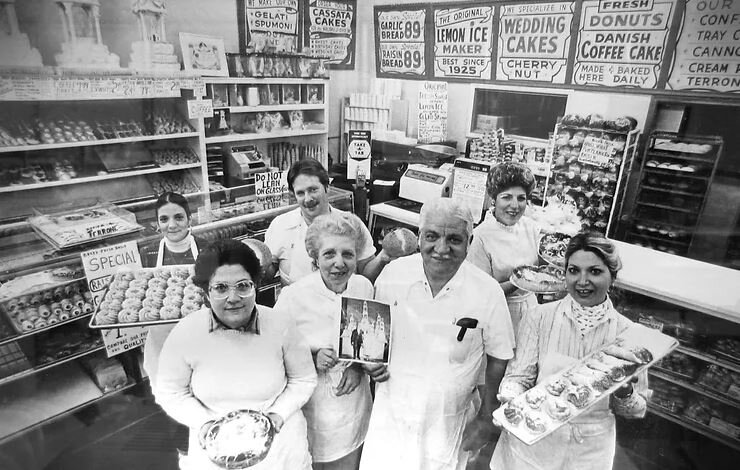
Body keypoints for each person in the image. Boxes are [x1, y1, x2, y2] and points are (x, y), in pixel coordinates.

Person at [359, 198, 515, 470]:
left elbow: (499, 357)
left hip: (446, 423)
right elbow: (371, 328)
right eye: (432, 236)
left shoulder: (488, 292)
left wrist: (487, 417)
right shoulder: (393, 275)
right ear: (419, 237)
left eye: (454, 239)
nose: (441, 249)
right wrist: (367, 361)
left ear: (469, 241)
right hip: (391, 416)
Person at [490, 232, 648, 470]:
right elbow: (518, 377)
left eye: (594, 271)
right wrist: (510, 402)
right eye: (574, 270)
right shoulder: (539, 316)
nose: (582, 281)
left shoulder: (629, 333)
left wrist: (624, 391)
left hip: (588, 453)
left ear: (612, 276)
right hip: (533, 447)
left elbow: (637, 409)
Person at [154, 240, 317, 470]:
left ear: (255, 286)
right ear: (206, 292)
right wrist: (204, 424)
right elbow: (170, 392)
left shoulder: (281, 324)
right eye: (221, 288)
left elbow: (303, 379)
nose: (233, 297)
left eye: (243, 286)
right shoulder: (185, 333)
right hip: (214, 452)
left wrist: (277, 415)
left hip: (281, 451)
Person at [273, 212, 386, 470]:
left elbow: (368, 341)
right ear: (315, 258)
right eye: (329, 254)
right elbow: (273, 354)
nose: (339, 263)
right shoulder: (294, 297)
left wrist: (357, 366)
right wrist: (311, 358)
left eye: (348, 254)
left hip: (355, 409)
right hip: (314, 413)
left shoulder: (363, 287)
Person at [264, 160, 391, 286]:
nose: (308, 199)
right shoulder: (280, 225)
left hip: (342, 297)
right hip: (295, 298)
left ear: (327, 187)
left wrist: (384, 256)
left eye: (313, 190)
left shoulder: (351, 224)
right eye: (300, 193)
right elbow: (268, 273)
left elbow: (366, 274)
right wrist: (257, 262)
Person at [139, 192, 209, 386]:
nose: (171, 225)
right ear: (157, 223)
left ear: (189, 219)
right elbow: (146, 294)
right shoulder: (148, 253)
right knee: (171, 387)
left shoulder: (208, 249)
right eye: (164, 219)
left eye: (178, 217)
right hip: (163, 337)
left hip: (201, 333)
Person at [467, 162, 540, 333]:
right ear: (494, 199)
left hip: (532, 310)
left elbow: (541, 266)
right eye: (507, 197)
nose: (515, 205)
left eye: (521, 198)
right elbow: (482, 293)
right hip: (499, 314)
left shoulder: (531, 227)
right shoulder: (481, 237)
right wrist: (521, 282)